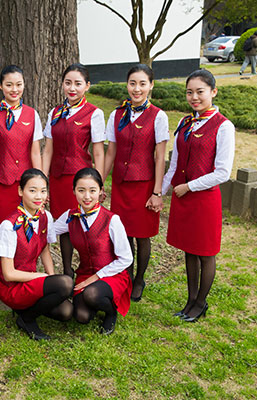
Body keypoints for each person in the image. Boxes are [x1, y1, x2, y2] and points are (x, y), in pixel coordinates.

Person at [162, 69, 235, 322]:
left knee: (205, 252)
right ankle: (190, 300)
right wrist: (160, 192)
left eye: (200, 92)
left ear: (213, 92)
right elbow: (175, 163)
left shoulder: (223, 126)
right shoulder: (184, 122)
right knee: (189, 250)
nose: (194, 97)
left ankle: (201, 303)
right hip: (183, 198)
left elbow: (223, 172)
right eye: (189, 92)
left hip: (204, 199)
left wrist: (189, 186)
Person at [102, 64, 169, 302]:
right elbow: (111, 152)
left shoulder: (158, 116)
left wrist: (157, 192)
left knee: (142, 235)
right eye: (132, 83)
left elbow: (160, 157)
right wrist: (100, 183)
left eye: (142, 84)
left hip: (144, 185)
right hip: (121, 184)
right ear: (127, 85)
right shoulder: (116, 115)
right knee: (123, 234)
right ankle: (127, 276)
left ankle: (140, 279)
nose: (137, 89)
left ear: (151, 85)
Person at [42, 63, 106, 278]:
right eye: (68, 83)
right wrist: (42, 183)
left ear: (87, 86)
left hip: (81, 181)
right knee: (63, 225)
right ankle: (68, 270)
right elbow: (48, 150)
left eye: (78, 84)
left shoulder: (94, 113)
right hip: (58, 179)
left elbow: (98, 152)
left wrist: (99, 184)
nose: (72, 88)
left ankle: (89, 269)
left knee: (81, 225)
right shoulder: (55, 113)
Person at [0, 169, 73, 340]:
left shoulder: (45, 217)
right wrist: (41, 277)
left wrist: (51, 280)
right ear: (20, 191)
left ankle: (25, 310)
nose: (39, 196)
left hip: (31, 281)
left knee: (66, 311)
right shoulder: (9, 226)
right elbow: (8, 274)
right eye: (32, 190)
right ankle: (26, 319)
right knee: (66, 283)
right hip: (12, 287)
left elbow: (44, 250)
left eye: (43, 191)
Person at [53, 168, 133, 335]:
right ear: (74, 191)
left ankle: (111, 312)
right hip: (85, 274)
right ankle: (95, 303)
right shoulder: (70, 216)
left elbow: (126, 258)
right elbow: (48, 233)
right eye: (81, 190)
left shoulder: (112, 220)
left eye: (92, 190)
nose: (87, 196)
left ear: (101, 191)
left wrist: (97, 277)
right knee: (81, 317)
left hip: (112, 274)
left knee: (92, 294)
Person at [0, 65, 43, 235]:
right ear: (0, 85)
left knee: (26, 232)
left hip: (27, 185)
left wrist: (40, 186)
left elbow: (35, 153)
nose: (14, 90)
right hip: (1, 184)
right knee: (2, 231)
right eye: (9, 85)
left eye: (19, 84)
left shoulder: (32, 114)